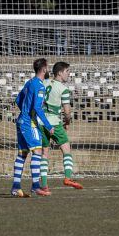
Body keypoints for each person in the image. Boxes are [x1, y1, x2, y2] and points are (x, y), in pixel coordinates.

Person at [11, 58, 53, 197]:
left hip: (21, 121)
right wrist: (48, 125)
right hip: (29, 123)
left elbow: (18, 100)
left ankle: (16, 187)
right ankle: (35, 186)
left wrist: (24, 111)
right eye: (47, 67)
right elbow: (37, 107)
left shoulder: (29, 83)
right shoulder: (40, 86)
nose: (48, 70)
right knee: (38, 152)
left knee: (22, 154)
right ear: (44, 69)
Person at [40, 61, 83, 193]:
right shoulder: (63, 89)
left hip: (41, 122)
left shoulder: (44, 83)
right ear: (60, 73)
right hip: (54, 122)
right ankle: (68, 178)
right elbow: (67, 112)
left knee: (44, 153)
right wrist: (67, 122)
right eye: (67, 72)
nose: (68, 74)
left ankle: (44, 185)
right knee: (66, 148)